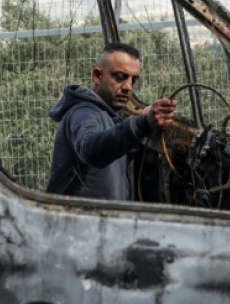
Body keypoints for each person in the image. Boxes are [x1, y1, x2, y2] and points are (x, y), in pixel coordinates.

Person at [47, 42, 177, 200]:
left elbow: (112, 159)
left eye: (133, 80)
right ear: (97, 76)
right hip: (79, 215)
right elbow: (90, 149)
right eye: (120, 77)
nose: (128, 87)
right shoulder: (83, 112)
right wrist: (141, 124)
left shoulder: (107, 116)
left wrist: (145, 128)